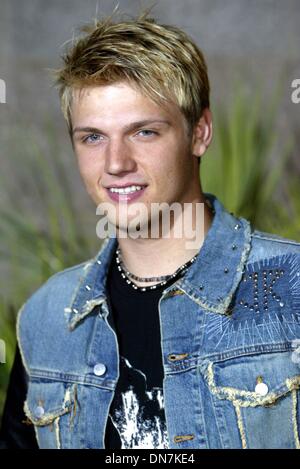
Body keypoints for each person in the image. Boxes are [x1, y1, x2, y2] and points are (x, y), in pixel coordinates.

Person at [1, 11, 300, 450]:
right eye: (93, 137)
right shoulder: (46, 319)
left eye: (144, 131)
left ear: (200, 133)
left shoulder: (291, 287)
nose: (116, 163)